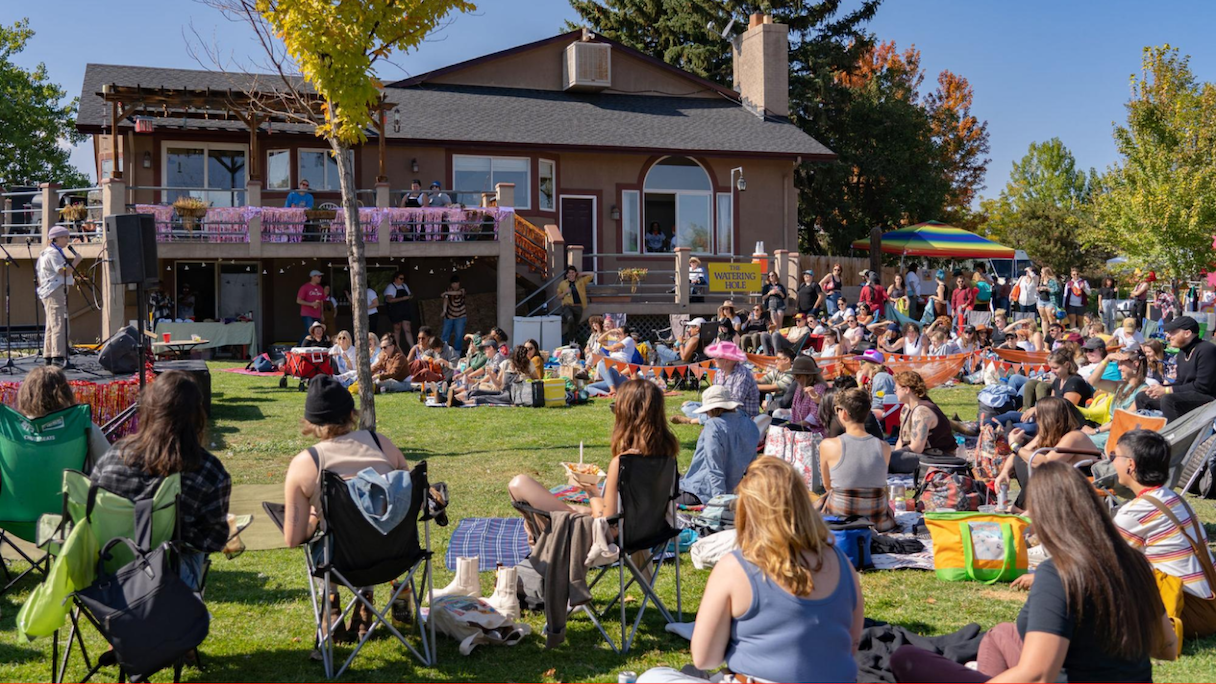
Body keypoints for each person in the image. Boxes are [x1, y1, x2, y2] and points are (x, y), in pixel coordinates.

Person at [890, 461, 1174, 683]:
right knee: (1002, 634)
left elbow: (1038, 676)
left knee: (906, 657)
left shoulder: (1059, 574)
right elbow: (1167, 647)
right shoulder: (1135, 562)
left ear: (1044, 516)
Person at [639, 457, 862, 684]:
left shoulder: (735, 567)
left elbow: (705, 658)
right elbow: (851, 644)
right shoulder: (841, 561)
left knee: (652, 677)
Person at [281, 374, 412, 640]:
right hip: (395, 556)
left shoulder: (307, 463)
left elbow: (293, 538)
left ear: (311, 422)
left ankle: (331, 603)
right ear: (351, 413)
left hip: (338, 563)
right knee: (371, 521)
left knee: (329, 535)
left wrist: (315, 518)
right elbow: (407, 497)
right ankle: (365, 601)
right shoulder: (382, 445)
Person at [92, 371, 230, 591]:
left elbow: (92, 515)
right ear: (198, 416)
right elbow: (213, 540)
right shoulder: (208, 471)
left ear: (148, 410)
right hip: (171, 578)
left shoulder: (113, 457)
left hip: (107, 573)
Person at [509, 379, 679, 519]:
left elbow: (606, 521)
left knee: (519, 484)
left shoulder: (623, 462)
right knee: (569, 508)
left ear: (626, 416)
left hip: (608, 537)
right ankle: (539, 545)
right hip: (647, 532)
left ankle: (541, 549)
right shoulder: (667, 456)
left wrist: (591, 491)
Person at [1112, 429, 1216, 637]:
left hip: (1183, 610)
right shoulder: (1174, 499)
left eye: (1115, 456)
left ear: (1130, 465)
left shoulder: (1136, 512)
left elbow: (1100, 560)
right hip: (1207, 605)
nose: (1112, 462)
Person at [993, 396, 1098, 509]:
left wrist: (1015, 445)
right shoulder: (1049, 434)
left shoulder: (1075, 436)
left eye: (1038, 418)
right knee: (1022, 459)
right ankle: (1024, 506)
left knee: (1036, 464)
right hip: (1064, 480)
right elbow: (1018, 455)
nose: (1037, 422)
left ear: (1048, 418)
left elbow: (1046, 462)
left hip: (1085, 482)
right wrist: (1004, 472)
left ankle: (1026, 508)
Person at [818, 387, 896, 532]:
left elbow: (828, 486)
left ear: (844, 413)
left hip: (841, 519)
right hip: (877, 520)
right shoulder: (884, 447)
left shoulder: (828, 445)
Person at [679, 386, 760, 505]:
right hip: (734, 490)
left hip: (702, 492)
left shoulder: (713, 426)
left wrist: (720, 501)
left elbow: (714, 466)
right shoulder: (751, 424)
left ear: (711, 409)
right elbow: (751, 466)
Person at [16, 365, 110, 464]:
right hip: (70, 479)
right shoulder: (85, 427)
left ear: (25, 394)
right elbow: (112, 465)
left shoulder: (10, 430)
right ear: (65, 393)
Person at [991, 348, 1093, 437]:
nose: (1052, 371)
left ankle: (999, 431)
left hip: (1065, 424)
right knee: (1010, 414)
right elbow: (1052, 401)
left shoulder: (1075, 381)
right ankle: (980, 425)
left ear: (1067, 365)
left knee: (1021, 427)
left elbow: (1065, 408)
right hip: (1051, 418)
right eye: (1051, 368)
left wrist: (1037, 409)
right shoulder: (1058, 380)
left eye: (1055, 368)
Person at [1135, 316, 1216, 421]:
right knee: (1142, 396)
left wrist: (1167, 390)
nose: (1168, 336)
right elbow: (1180, 382)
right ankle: (1146, 433)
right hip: (1188, 395)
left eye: (1172, 332)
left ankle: (1172, 435)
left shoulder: (1206, 350)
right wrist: (1157, 389)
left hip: (1207, 399)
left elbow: (1202, 386)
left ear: (1187, 333)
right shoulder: (1182, 353)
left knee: (1168, 399)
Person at [889, 371, 961, 474]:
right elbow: (901, 438)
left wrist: (893, 456)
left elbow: (916, 447)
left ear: (906, 390)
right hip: (922, 455)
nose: (895, 392)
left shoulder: (922, 412)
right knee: (886, 455)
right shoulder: (906, 408)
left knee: (889, 458)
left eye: (896, 389)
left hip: (939, 458)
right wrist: (894, 454)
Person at [675, 341, 759, 423]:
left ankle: (693, 420)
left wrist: (714, 408)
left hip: (741, 413)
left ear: (727, 360)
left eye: (717, 357)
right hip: (720, 407)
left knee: (729, 415)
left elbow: (734, 403)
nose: (714, 359)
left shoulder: (742, 374)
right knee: (687, 406)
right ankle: (709, 418)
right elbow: (714, 395)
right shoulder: (719, 373)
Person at [35, 225, 82, 366]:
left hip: (48, 290)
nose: (67, 240)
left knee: (51, 323)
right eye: (65, 237)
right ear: (57, 238)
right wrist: (76, 261)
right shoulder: (54, 254)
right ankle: (58, 356)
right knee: (59, 322)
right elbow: (63, 271)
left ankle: (48, 355)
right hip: (54, 290)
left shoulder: (46, 253)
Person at [854, 349, 895, 426]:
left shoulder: (881, 378)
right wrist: (860, 384)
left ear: (870, 364)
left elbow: (879, 408)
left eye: (862, 362)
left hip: (885, 425)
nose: (860, 365)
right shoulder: (873, 379)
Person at [556, 265, 593, 345]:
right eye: (569, 273)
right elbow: (558, 297)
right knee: (570, 319)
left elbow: (592, 274)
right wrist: (565, 292)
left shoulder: (581, 281)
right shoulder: (563, 284)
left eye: (573, 272)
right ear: (567, 275)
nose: (571, 274)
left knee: (575, 325)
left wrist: (580, 274)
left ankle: (572, 341)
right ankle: (570, 340)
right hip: (567, 306)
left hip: (578, 307)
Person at [382, 271, 415, 351]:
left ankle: (413, 348)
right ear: (395, 279)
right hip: (396, 311)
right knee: (397, 329)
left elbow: (409, 295)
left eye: (403, 279)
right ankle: (397, 349)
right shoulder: (391, 287)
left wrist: (409, 297)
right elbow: (389, 299)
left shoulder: (404, 286)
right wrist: (402, 298)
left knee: (407, 329)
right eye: (400, 278)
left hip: (405, 310)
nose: (402, 280)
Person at [439, 275, 467, 355]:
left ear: (458, 283)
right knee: (445, 334)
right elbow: (446, 299)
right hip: (449, 316)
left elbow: (457, 293)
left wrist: (446, 293)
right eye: (453, 284)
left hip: (460, 316)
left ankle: (457, 353)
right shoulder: (448, 290)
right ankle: (443, 352)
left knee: (459, 335)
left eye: (456, 283)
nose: (454, 285)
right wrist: (444, 311)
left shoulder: (462, 290)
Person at [297, 269, 326, 334]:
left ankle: (304, 344)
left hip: (317, 314)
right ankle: (302, 344)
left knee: (316, 332)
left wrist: (322, 314)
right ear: (313, 277)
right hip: (307, 314)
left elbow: (321, 301)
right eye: (319, 276)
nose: (320, 278)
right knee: (310, 331)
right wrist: (311, 304)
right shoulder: (305, 287)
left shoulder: (320, 288)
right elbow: (298, 300)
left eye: (320, 276)